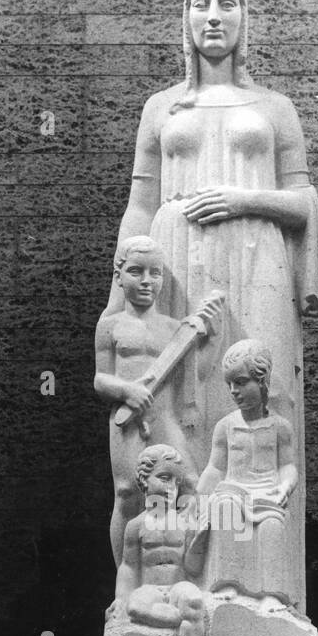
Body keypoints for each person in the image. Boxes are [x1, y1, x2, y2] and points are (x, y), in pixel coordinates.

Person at [97, 0, 318, 610]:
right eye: (201, 5)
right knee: (182, 408)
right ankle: (178, 586)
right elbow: (139, 206)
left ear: (245, 18)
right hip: (174, 255)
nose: (214, 16)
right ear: (187, 19)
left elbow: (304, 200)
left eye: (227, 4)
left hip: (258, 253)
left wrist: (245, 198)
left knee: (263, 392)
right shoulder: (162, 107)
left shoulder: (276, 108)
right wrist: (122, 292)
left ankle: (261, 589)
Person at [94, 235, 222, 565]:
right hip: (128, 424)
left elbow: (196, 378)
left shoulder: (173, 328)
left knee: (190, 484)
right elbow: (100, 378)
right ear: (118, 276)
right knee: (126, 494)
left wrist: (210, 338)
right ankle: (126, 579)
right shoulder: (110, 327)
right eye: (136, 271)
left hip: (166, 418)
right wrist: (126, 391)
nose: (147, 281)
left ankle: (185, 564)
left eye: (156, 272)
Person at [196, 339, 297, 611]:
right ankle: (229, 582)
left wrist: (285, 486)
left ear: (262, 381)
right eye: (230, 384)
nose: (234, 391)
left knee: (271, 526)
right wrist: (199, 496)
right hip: (234, 490)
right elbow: (215, 468)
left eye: (240, 382)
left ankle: (273, 593)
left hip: (266, 493)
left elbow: (287, 466)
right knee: (226, 508)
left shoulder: (280, 427)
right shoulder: (225, 426)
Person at [113, 444, 212, 636]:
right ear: (145, 480)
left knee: (194, 600)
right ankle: (173, 618)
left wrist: (198, 543)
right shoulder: (136, 526)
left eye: (176, 482)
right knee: (134, 606)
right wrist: (120, 599)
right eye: (165, 478)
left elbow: (193, 569)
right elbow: (129, 567)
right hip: (150, 589)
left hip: (177, 586)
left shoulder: (186, 523)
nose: (171, 487)